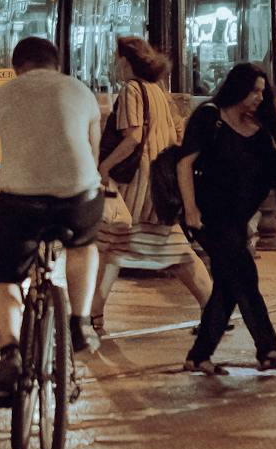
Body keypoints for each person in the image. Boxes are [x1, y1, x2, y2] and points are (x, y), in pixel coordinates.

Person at [0, 36, 104, 408]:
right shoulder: (81, 90)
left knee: (4, 277)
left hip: (19, 203)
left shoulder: (4, 94)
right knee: (83, 244)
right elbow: (93, 153)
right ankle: (81, 322)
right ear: (56, 63)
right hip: (77, 197)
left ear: (16, 65)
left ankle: (10, 355)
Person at [176, 62, 276, 376]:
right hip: (208, 216)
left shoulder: (256, 129)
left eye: (262, 91)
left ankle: (199, 355)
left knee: (229, 285)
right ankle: (267, 348)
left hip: (236, 217)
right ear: (237, 88)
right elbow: (184, 164)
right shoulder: (209, 118)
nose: (259, 97)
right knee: (244, 275)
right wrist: (190, 209)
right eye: (253, 90)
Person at [90, 37, 211, 337]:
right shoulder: (158, 91)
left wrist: (104, 167)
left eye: (117, 58)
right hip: (159, 180)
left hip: (138, 184)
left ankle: (92, 318)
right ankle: (213, 309)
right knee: (175, 249)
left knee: (111, 245)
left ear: (127, 60)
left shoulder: (132, 89)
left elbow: (132, 137)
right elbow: (176, 131)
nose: (114, 64)